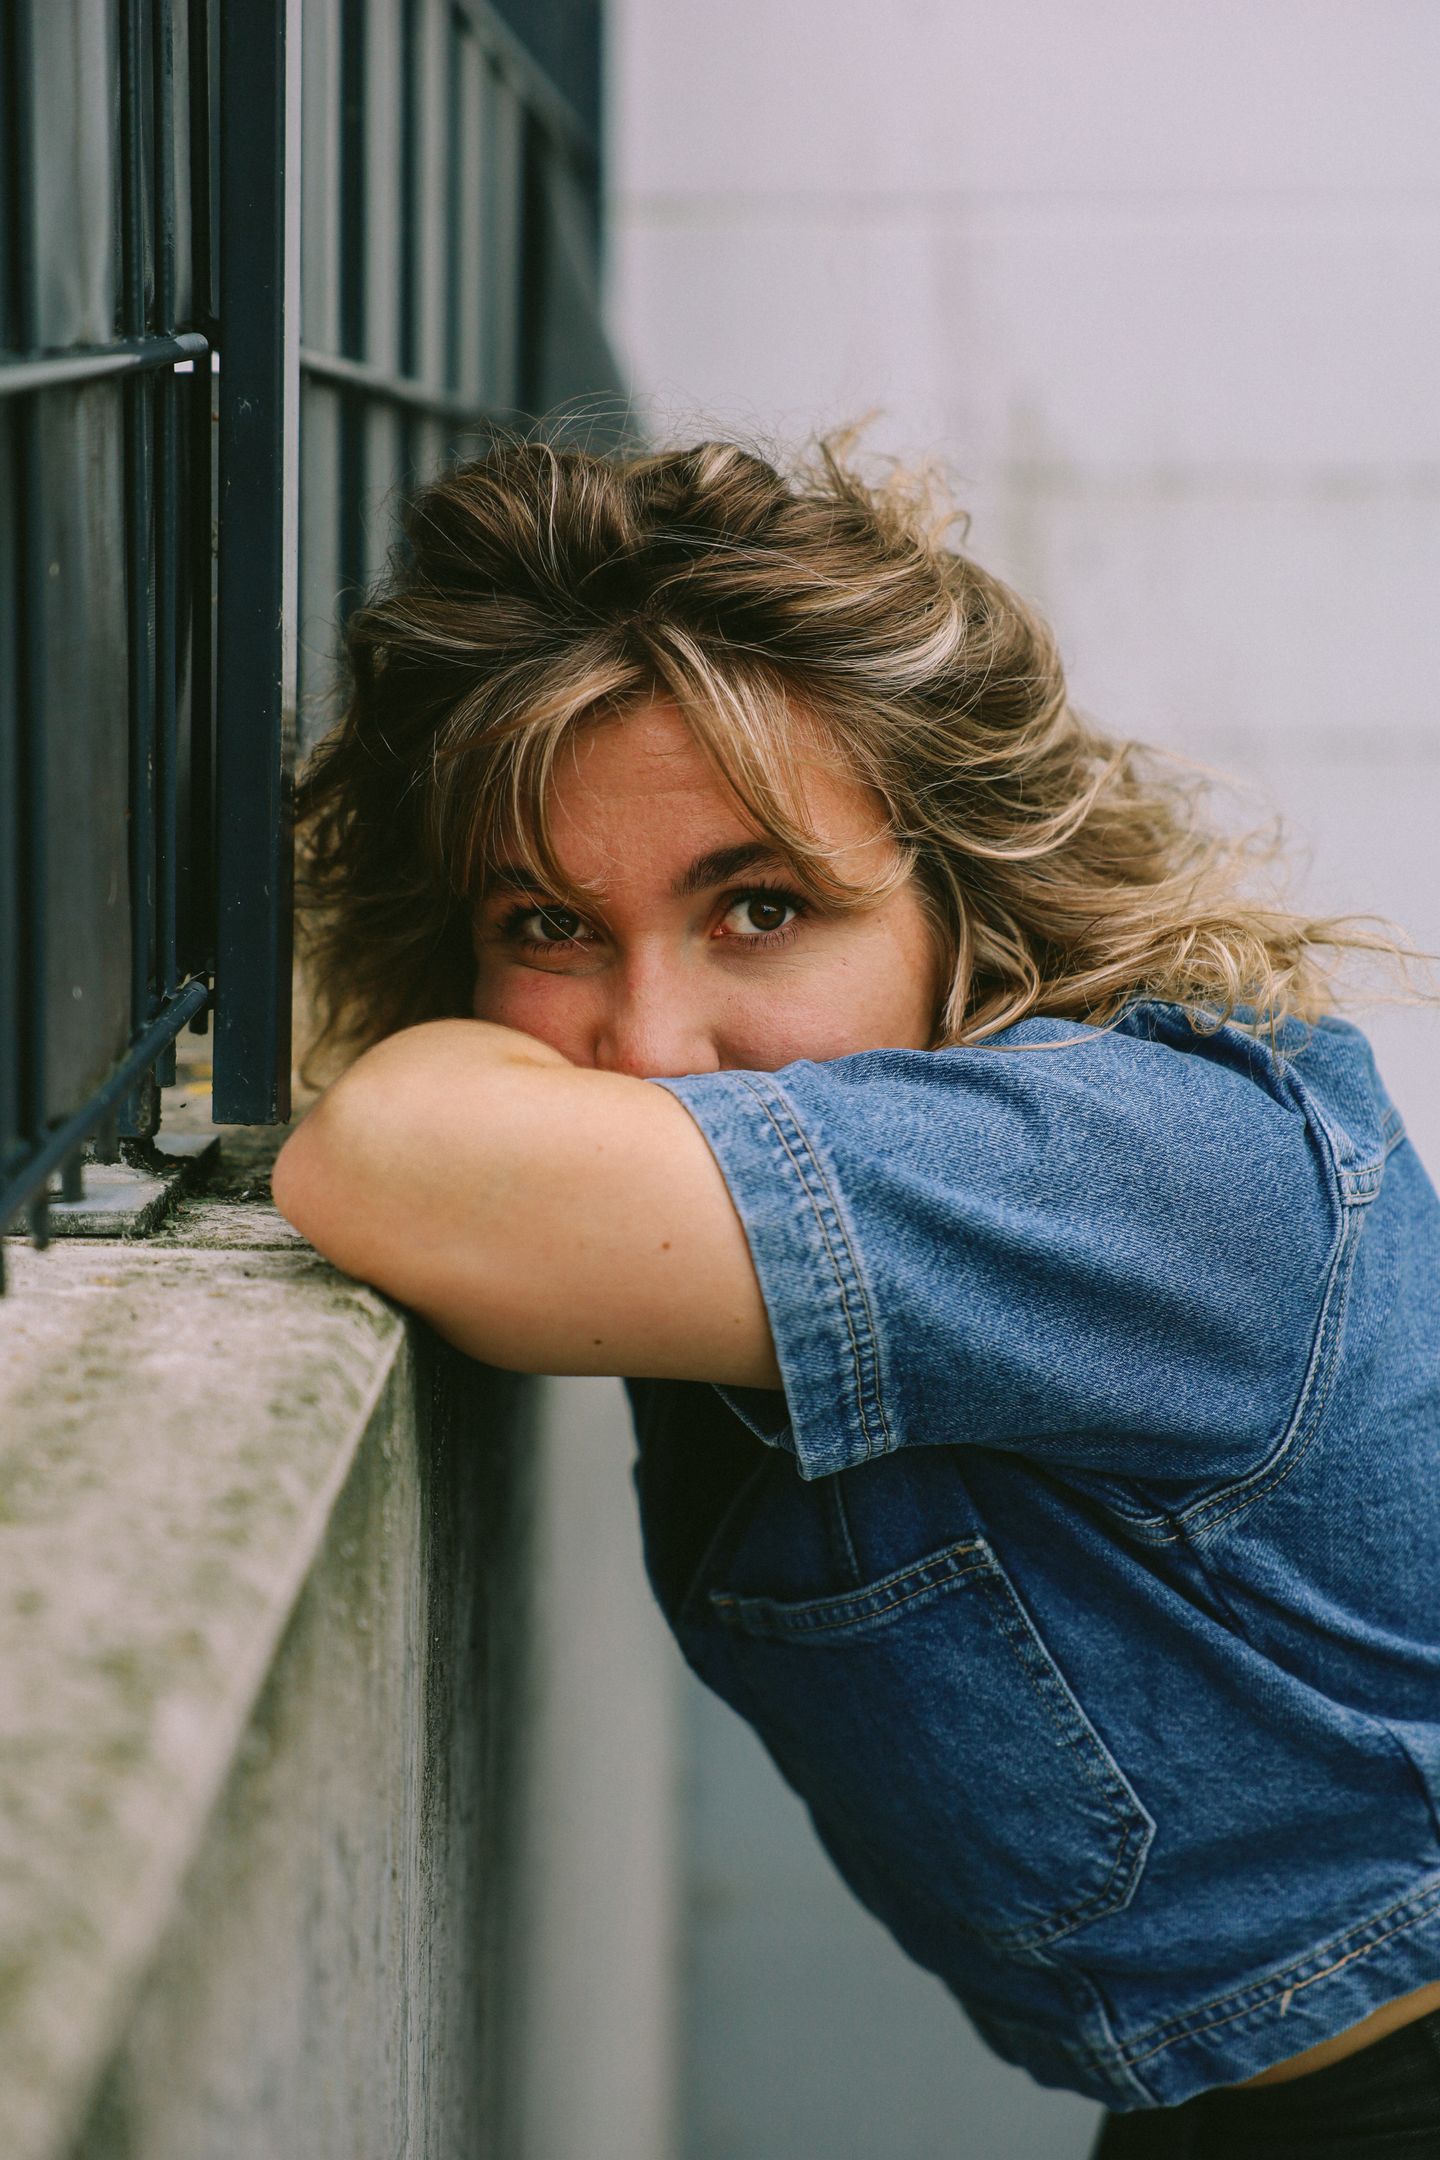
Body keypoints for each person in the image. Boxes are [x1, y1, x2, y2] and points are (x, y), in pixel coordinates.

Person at [272, 435, 1440, 2154]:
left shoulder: (1141, 1167)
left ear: (967, 903)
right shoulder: (801, 1175)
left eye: (761, 907)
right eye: (547, 925)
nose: (650, 1048)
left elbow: (388, 1156)